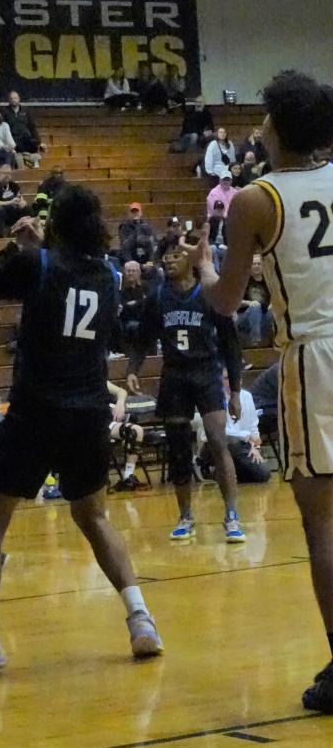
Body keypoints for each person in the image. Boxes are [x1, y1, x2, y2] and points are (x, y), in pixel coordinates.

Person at [0, 186, 162, 675]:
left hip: (36, 409)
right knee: (95, 518)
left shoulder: (37, 264)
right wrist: (42, 250)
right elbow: (69, 277)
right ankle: (141, 618)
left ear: (55, 224)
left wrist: (22, 250)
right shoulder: (107, 275)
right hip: (88, 411)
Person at [180, 70, 333, 713]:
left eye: (266, 118)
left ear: (278, 127)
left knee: (323, 519)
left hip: (316, 357)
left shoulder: (255, 199)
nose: (259, 129)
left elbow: (225, 300)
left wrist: (203, 264)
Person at [126, 233, 245, 543]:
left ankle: (231, 515)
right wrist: (132, 369)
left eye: (176, 254)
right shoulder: (157, 298)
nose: (168, 259)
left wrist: (234, 390)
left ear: (192, 260)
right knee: (179, 451)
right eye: (165, 254)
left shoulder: (209, 294)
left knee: (218, 441)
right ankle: (185, 516)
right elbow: (142, 339)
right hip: (175, 375)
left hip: (206, 372)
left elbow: (231, 344)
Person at [195, 370, 271, 485]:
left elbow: (253, 426)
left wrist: (255, 447)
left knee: (263, 474)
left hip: (243, 446)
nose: (231, 382)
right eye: (226, 379)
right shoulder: (212, 398)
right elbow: (219, 430)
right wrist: (246, 436)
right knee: (232, 441)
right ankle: (207, 466)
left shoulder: (247, 396)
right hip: (213, 445)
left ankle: (227, 471)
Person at [107, 380, 147, 491]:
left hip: (106, 423)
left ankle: (128, 475)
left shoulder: (98, 380)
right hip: (85, 426)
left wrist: (120, 403)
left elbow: (122, 391)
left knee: (135, 431)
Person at [236, 253, 273, 347]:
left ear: (263, 266)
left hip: (264, 317)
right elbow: (234, 301)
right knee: (256, 307)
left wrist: (272, 305)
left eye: (258, 264)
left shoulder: (269, 281)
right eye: (254, 264)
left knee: (275, 311)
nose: (256, 266)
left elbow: (276, 298)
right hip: (245, 318)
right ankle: (255, 341)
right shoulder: (243, 281)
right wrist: (249, 303)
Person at [2, 90, 46, 168]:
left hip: (26, 141)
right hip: (13, 142)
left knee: (36, 154)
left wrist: (39, 142)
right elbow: (3, 130)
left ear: (19, 99)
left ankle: (31, 162)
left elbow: (32, 127)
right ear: (9, 100)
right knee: (17, 159)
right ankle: (23, 164)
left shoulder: (26, 111)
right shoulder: (4, 111)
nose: (13, 100)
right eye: (11, 98)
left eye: (15, 98)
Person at [0, 164, 28, 237]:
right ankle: (0, 237)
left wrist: (22, 203)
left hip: (11, 211)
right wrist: (10, 202)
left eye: (9, 173)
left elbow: (21, 199)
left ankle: (25, 235)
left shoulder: (14, 185)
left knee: (27, 208)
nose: (7, 175)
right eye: (5, 173)